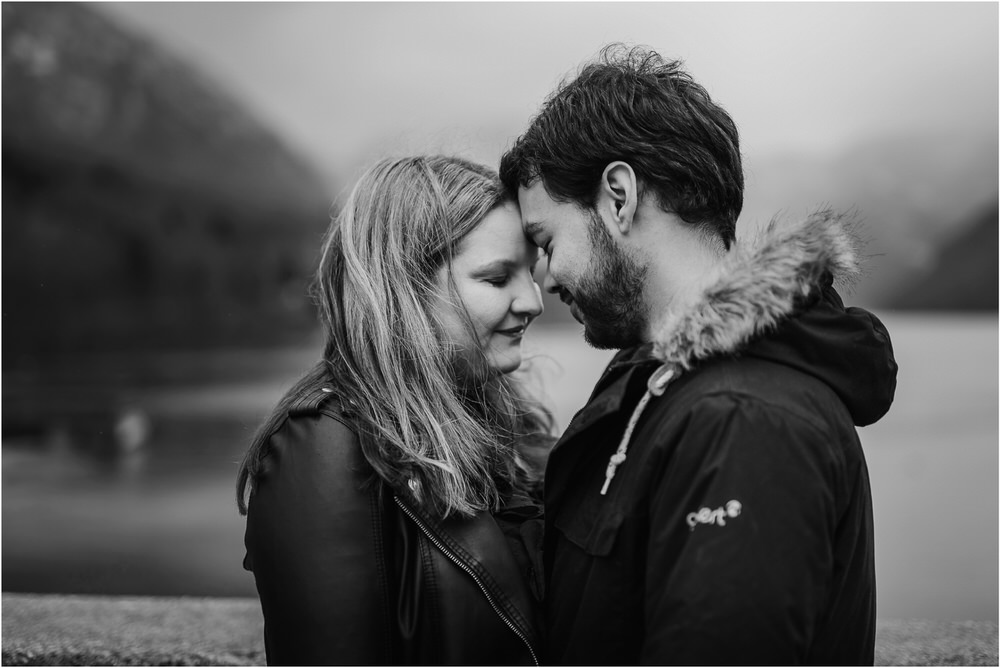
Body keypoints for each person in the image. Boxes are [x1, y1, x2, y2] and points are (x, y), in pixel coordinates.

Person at [499, 44, 898, 665]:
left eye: (546, 241)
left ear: (619, 197)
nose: (545, 280)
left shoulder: (746, 421)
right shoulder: (657, 380)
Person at [237, 156, 550, 665]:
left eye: (530, 273)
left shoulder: (505, 419)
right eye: (497, 279)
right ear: (406, 289)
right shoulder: (325, 444)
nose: (533, 300)